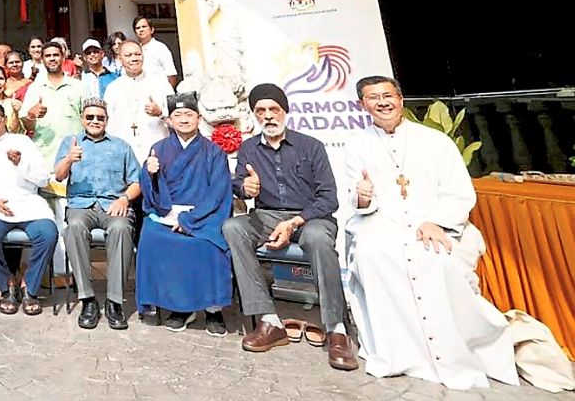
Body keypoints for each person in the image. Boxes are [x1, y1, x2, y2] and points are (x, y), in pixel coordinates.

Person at [343, 76, 516, 390]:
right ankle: (399, 353)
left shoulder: (435, 141)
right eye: (373, 98)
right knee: (371, 255)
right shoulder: (357, 144)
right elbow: (357, 199)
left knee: (434, 259)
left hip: (431, 223)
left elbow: (459, 192)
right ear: (362, 104)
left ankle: (451, 350)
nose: (382, 103)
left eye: (387, 95)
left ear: (400, 98)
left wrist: (436, 221)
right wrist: (364, 196)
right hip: (382, 223)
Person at [223, 83, 355, 369]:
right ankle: (269, 321)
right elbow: (238, 185)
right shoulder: (248, 149)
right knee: (233, 227)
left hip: (309, 217)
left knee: (319, 238)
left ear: (285, 111)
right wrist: (245, 188)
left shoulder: (311, 146)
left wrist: (295, 221)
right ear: (255, 116)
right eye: (261, 111)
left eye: (274, 109)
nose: (268, 116)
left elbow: (329, 198)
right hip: (268, 215)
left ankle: (336, 328)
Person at [135, 92, 232, 335]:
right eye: (178, 115)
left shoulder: (214, 152)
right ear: (169, 121)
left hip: (204, 214)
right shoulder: (159, 148)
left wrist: (190, 220)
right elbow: (149, 191)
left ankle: (213, 309)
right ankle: (179, 307)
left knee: (208, 243)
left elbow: (219, 191)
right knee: (153, 237)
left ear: (199, 118)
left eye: (189, 114)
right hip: (167, 211)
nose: (184, 119)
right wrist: (150, 173)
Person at [54, 98, 141, 330]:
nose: (95, 121)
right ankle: (87, 299)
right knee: (73, 228)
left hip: (114, 204)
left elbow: (137, 181)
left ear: (106, 120)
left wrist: (125, 198)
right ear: (83, 119)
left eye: (99, 117)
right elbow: (59, 176)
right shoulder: (70, 143)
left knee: (122, 228)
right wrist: (69, 159)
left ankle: (114, 301)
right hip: (81, 205)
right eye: (90, 117)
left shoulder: (121, 146)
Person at [0, 102, 58, 316]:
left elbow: (43, 179)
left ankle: (29, 286)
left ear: (4, 119)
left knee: (48, 234)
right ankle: (7, 283)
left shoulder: (23, 142)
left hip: (27, 202)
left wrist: (21, 163)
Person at [104, 40, 171, 162]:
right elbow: (109, 124)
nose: (134, 58)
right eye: (128, 55)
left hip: (157, 151)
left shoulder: (160, 82)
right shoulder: (113, 88)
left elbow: (176, 115)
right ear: (119, 59)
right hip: (125, 153)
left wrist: (160, 112)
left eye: (137, 54)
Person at [21, 41, 85, 168]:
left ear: (63, 57)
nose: (52, 59)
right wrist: (31, 115)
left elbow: (88, 118)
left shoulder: (78, 86)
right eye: (48, 56)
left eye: (55, 55)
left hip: (75, 155)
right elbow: (27, 126)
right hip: (45, 156)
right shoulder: (35, 88)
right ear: (43, 59)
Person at [133, 16, 178, 90]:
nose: (141, 30)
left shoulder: (160, 48)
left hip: (159, 93)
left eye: (144, 27)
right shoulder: (135, 50)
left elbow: (171, 74)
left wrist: (167, 95)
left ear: (152, 30)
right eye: (138, 28)